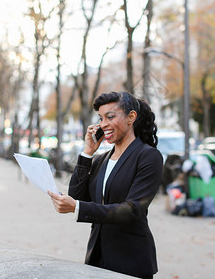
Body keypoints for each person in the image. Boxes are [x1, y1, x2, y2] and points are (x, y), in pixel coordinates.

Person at [48, 91, 163, 278]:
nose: (103, 124)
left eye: (110, 117)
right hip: (97, 258)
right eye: (100, 118)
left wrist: (77, 207)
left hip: (131, 261)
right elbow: (77, 195)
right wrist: (87, 153)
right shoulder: (101, 159)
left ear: (131, 117)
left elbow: (133, 210)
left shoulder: (148, 156)